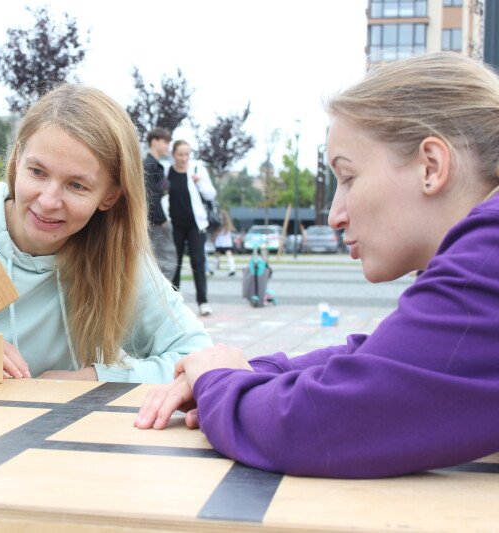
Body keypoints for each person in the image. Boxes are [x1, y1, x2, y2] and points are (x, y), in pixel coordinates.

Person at [134, 52, 499, 479]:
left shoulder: (488, 257)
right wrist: (251, 372)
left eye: (349, 177)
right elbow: (385, 359)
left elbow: (316, 424)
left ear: (431, 167)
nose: (334, 216)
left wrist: (218, 382)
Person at [0, 84, 212, 383]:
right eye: (37, 171)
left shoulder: (117, 259)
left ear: (110, 196)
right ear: (17, 159)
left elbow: (198, 358)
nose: (48, 201)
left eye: (76, 185)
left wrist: (93, 379)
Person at [165, 141, 217, 316]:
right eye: (180, 154)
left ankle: (203, 302)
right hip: (175, 225)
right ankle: (174, 303)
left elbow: (211, 194)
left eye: (187, 154)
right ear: (173, 154)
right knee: (175, 263)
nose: (184, 158)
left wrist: (199, 182)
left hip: (196, 225)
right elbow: (161, 194)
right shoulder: (167, 171)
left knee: (198, 261)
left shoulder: (197, 169)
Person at [143, 128, 178, 280]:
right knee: (166, 261)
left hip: (155, 221)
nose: (167, 146)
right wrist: (162, 219)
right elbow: (151, 196)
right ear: (154, 141)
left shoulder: (155, 165)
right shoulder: (150, 166)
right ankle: (161, 295)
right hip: (156, 222)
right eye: (165, 142)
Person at [212, 211, 237, 276]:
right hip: (220, 242)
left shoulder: (227, 224)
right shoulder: (218, 223)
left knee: (228, 255)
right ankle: (213, 270)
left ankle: (232, 269)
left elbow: (232, 230)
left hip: (226, 242)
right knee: (216, 256)